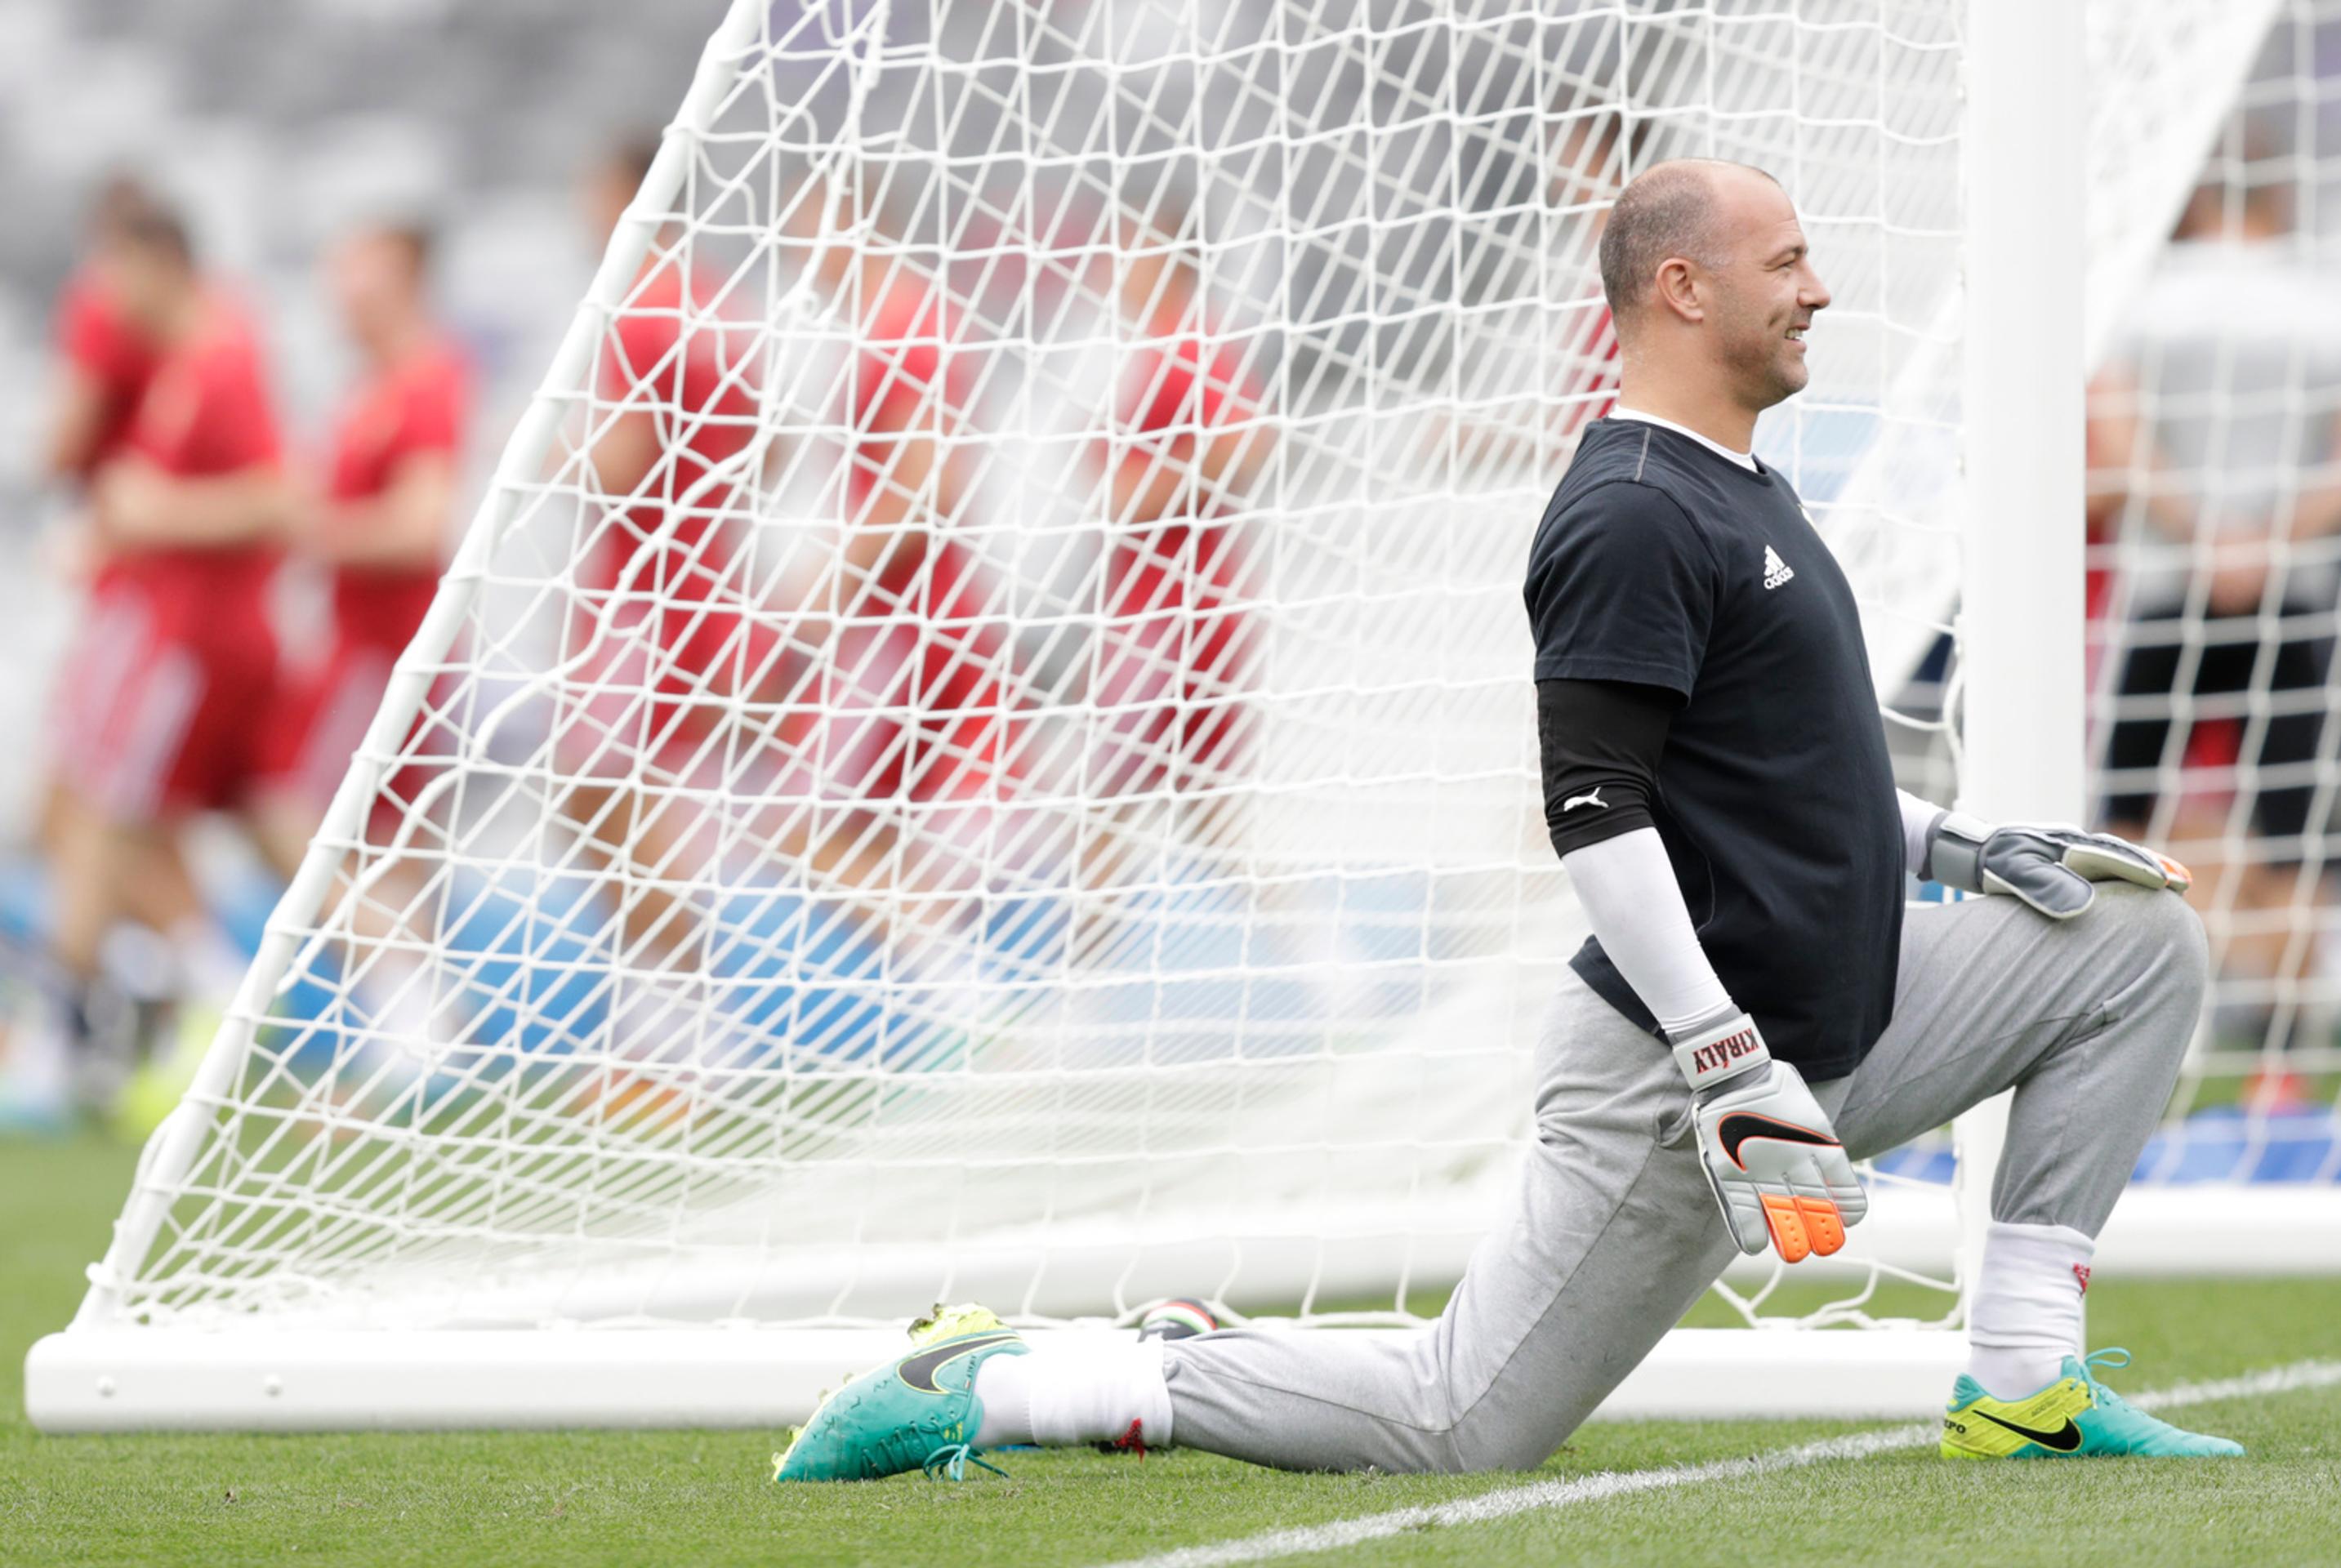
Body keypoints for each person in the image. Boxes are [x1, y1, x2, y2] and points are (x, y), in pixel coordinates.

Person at [769, 159, 2241, 1482]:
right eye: (1786, 261)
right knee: (1461, 1423)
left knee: (2129, 939)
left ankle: (2024, 1382)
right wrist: (1720, 1055)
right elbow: (1594, 812)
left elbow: (1792, 771)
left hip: (1848, 1012)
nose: (1821, 288)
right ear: (1682, 287)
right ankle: (1025, 1378)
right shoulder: (1630, 511)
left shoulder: (1743, 487)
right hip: (1685, 1073)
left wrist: (1959, 848)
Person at [2089, 164, 2341, 1076]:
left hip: (2170, 585)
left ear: (2198, 201)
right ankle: (2280, 1061)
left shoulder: (2143, 300)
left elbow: (2114, 437)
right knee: (2293, 828)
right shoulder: (2320, 303)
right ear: (2280, 200)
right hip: (2290, 591)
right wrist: (2264, 540)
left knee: (2125, 821)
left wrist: (2203, 537)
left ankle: (2125, 1036)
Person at [43, 205, 289, 1114]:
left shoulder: (225, 359)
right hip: (162, 629)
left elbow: (276, 495)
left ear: (158, 263)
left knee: (111, 816)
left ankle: (89, 1028)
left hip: (194, 641)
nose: (105, 299)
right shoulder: (176, 368)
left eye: (114, 272)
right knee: (112, 819)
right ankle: (162, 1002)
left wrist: (152, 515)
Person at [1085, 220, 1271, 828]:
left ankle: (1084, 926)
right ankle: (1304, 930)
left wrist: (1141, 492)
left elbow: (1246, 443)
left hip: (1169, 615)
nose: (1116, 264)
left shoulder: (1186, 342)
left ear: (1170, 253)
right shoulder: (1158, 346)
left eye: (1132, 247)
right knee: (1206, 814)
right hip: (1177, 607)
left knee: (1097, 804)